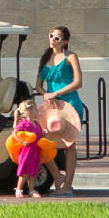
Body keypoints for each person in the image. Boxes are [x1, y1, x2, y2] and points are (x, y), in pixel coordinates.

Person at [35, 25, 86, 192]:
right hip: (52, 108)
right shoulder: (45, 58)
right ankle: (57, 176)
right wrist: (45, 94)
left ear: (65, 41)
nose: (52, 40)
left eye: (57, 38)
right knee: (44, 142)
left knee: (69, 145)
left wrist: (56, 92)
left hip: (69, 104)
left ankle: (68, 185)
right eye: (51, 36)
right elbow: (39, 86)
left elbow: (78, 82)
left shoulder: (70, 57)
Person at [5, 106, 59, 199]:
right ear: (28, 112)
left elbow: (39, 135)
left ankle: (31, 190)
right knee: (24, 171)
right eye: (35, 109)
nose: (37, 111)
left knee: (33, 171)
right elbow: (14, 133)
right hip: (26, 151)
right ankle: (19, 189)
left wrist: (44, 134)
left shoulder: (37, 124)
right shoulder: (24, 124)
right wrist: (21, 141)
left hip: (35, 150)